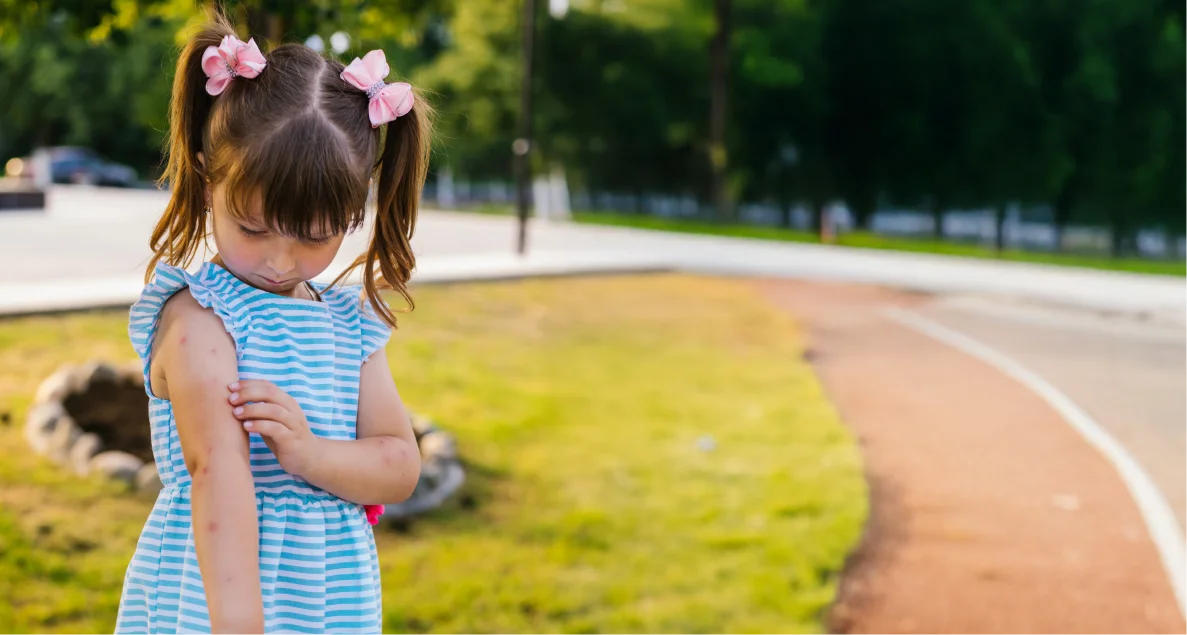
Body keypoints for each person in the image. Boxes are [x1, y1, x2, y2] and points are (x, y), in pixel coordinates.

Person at [114, 13, 431, 634]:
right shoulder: (201, 319)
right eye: (254, 228)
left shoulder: (349, 325)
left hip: (329, 604)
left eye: (315, 237)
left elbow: (398, 465)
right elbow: (217, 473)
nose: (280, 262)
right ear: (207, 180)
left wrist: (310, 454)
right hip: (223, 603)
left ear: (353, 214)